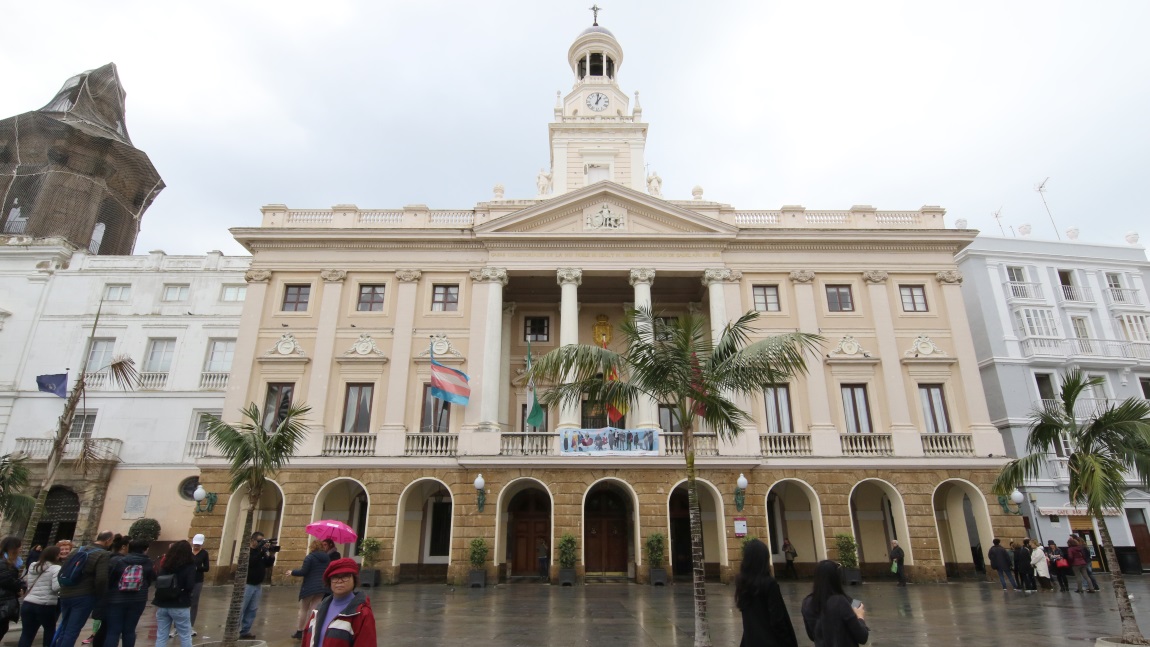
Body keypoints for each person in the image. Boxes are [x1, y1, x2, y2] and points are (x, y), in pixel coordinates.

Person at [56, 530, 114, 647]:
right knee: (72, 630)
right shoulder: (103, 554)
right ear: (108, 541)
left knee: (64, 627)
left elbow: (62, 571)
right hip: (84, 596)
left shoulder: (79, 549)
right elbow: (101, 579)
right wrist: (100, 595)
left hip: (66, 593)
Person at [735, 539, 797, 647]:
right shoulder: (769, 583)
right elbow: (777, 619)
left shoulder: (742, 583)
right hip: (769, 641)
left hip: (751, 640)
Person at [301, 558, 376, 647]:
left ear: (354, 579)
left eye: (345, 576)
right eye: (335, 577)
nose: (339, 581)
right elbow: (306, 640)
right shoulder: (319, 609)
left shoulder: (362, 613)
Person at [801, 560, 869, 647]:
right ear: (836, 578)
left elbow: (811, 636)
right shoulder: (840, 601)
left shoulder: (807, 602)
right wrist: (860, 617)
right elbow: (862, 637)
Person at [103, 539, 155, 647]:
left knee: (113, 631)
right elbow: (150, 580)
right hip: (138, 599)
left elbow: (111, 579)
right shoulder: (148, 563)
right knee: (130, 630)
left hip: (116, 599)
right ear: (145, 550)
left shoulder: (119, 561)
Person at [153, 541, 195, 647]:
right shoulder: (189, 565)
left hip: (162, 603)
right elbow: (190, 585)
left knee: (161, 635)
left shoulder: (166, 564)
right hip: (180, 604)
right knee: (185, 635)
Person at [286, 540, 331, 640]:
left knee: (303, 609)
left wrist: (292, 572)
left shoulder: (310, 557)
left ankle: (300, 630)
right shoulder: (327, 558)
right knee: (314, 610)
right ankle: (312, 629)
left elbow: (304, 571)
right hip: (321, 586)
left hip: (309, 587)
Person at [20, 545, 62, 647]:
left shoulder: (33, 565)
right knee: (49, 631)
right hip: (45, 604)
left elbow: (29, 582)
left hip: (28, 603)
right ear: (55, 556)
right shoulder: (56, 568)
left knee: (27, 633)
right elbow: (56, 587)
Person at [239, 532, 277, 639]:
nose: (261, 543)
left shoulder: (260, 552)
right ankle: (234, 630)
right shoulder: (247, 551)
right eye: (259, 541)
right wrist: (260, 552)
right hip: (247, 584)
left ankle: (245, 631)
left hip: (257, 585)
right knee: (241, 608)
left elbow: (267, 564)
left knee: (252, 609)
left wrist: (272, 554)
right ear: (252, 540)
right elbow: (250, 563)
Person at [0, 536, 23, 643]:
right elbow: (6, 580)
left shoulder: (9, 563)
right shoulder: (3, 563)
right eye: (19, 547)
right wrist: (20, 586)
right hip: (3, 602)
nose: (21, 549)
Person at [189, 535, 209, 636]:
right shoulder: (188, 552)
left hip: (198, 580)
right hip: (187, 579)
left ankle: (191, 625)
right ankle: (177, 627)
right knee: (182, 602)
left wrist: (197, 568)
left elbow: (206, 568)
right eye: (195, 544)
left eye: (198, 544)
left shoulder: (204, 553)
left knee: (194, 603)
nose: (196, 546)